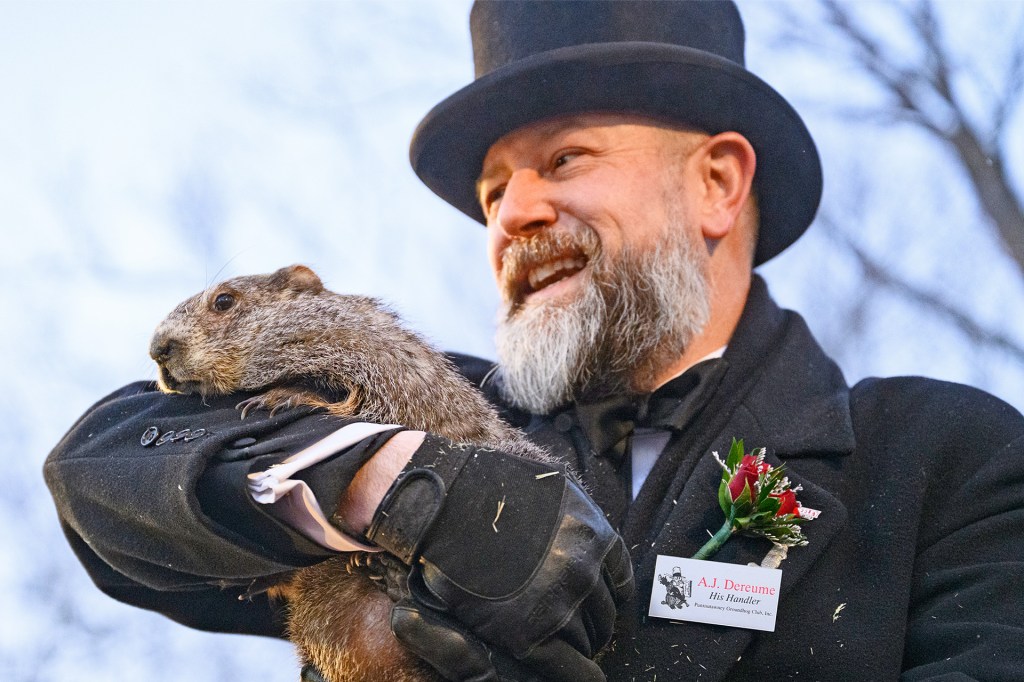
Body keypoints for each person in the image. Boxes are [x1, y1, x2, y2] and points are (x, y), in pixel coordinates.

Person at [44, 1, 1024, 681]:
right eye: (491, 192)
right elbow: (102, 469)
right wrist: (391, 481)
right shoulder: (429, 408)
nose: (514, 212)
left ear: (717, 184)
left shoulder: (944, 456)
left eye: (564, 158)